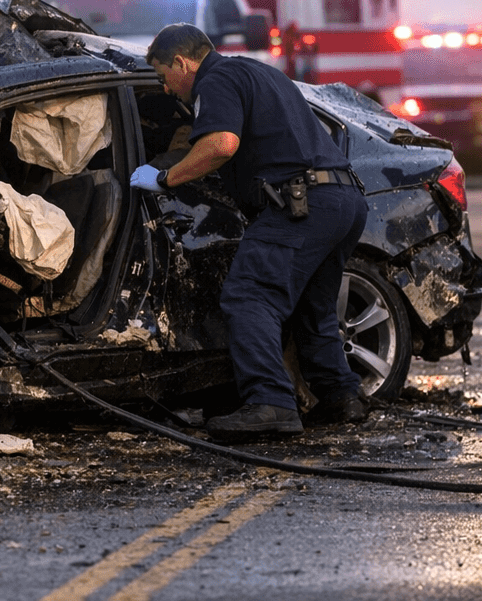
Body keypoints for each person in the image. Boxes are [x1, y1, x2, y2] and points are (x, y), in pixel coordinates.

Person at [129, 23, 367, 441]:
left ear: (182, 63)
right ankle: (341, 396)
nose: (167, 89)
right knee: (314, 305)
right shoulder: (256, 71)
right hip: (343, 199)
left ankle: (270, 402)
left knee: (249, 295)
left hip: (301, 203)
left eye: (165, 77)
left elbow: (221, 144)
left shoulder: (215, 81)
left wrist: (165, 179)